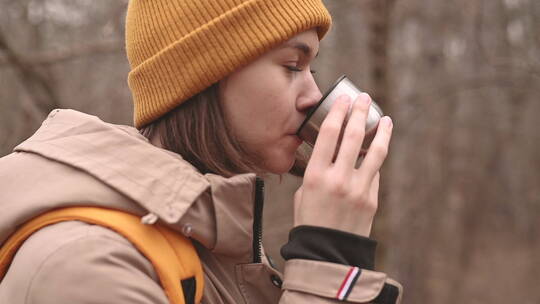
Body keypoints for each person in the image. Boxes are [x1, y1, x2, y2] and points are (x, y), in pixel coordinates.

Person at [0, 0, 402, 303]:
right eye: (293, 66)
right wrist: (327, 258)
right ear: (204, 73)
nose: (314, 97)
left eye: (312, 71)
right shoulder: (87, 265)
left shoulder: (217, 246)